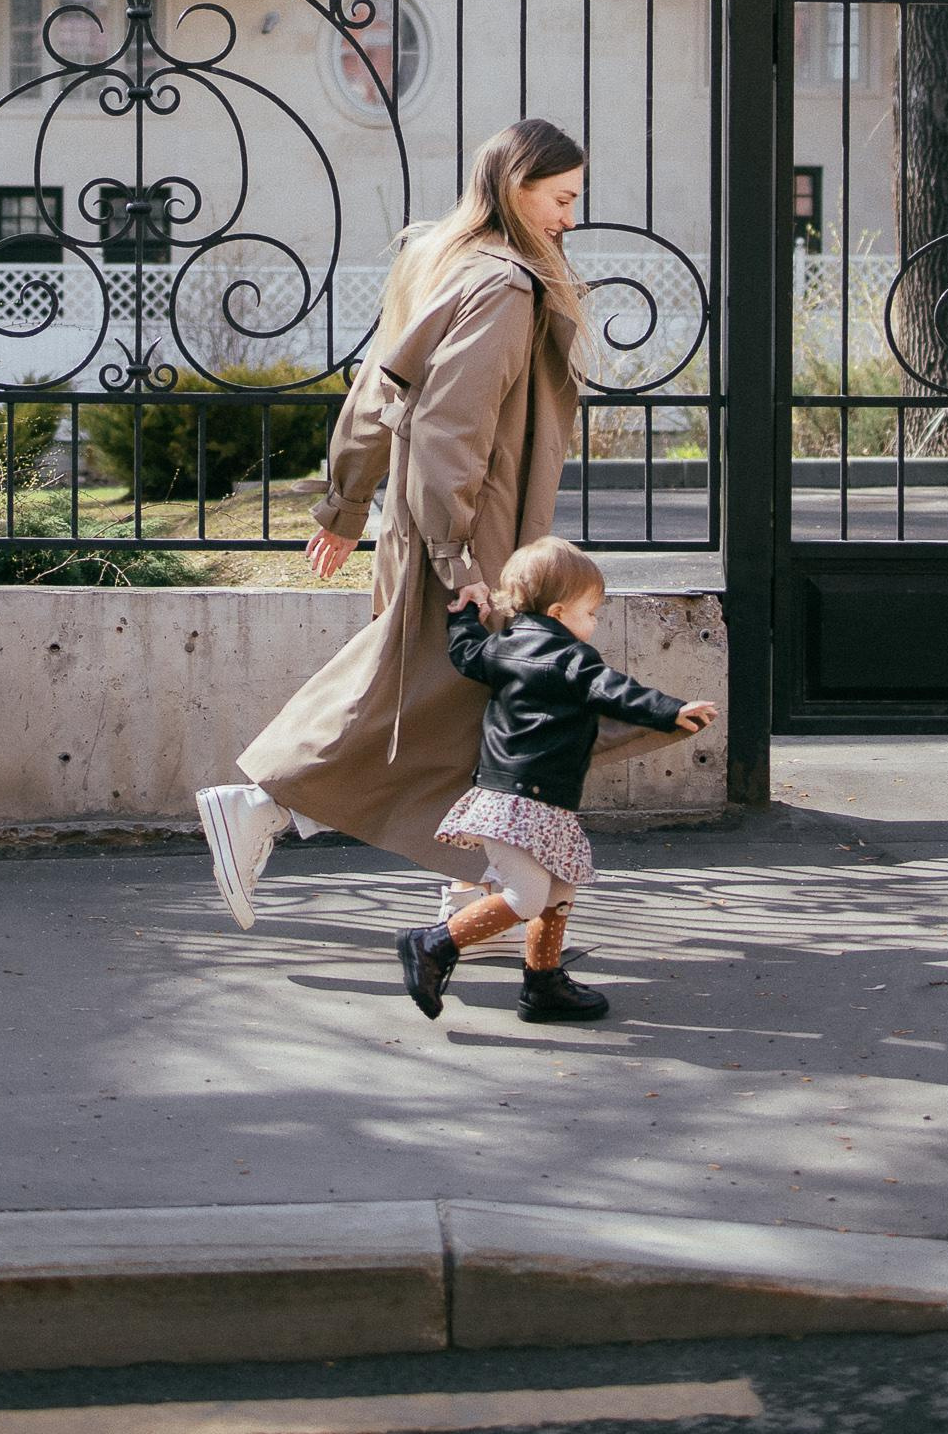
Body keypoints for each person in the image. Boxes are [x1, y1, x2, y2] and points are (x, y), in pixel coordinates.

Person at [196, 118, 680, 928]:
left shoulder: (448, 261)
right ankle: (263, 805)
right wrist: (460, 559)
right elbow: (451, 424)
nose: (568, 217)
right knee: (418, 697)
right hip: (470, 532)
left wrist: (349, 504)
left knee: (452, 705)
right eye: (560, 198)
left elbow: (375, 392)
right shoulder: (503, 284)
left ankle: (469, 890)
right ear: (517, 185)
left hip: (450, 528)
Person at [397, 535, 720, 1025]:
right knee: (526, 897)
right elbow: (614, 691)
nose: (593, 624)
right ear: (561, 610)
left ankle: (543, 983)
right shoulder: (571, 658)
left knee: (559, 888)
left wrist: (464, 615)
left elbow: (465, 654)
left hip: (516, 797)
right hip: (526, 800)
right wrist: (672, 710)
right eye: (591, 613)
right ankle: (432, 942)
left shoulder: (502, 646)